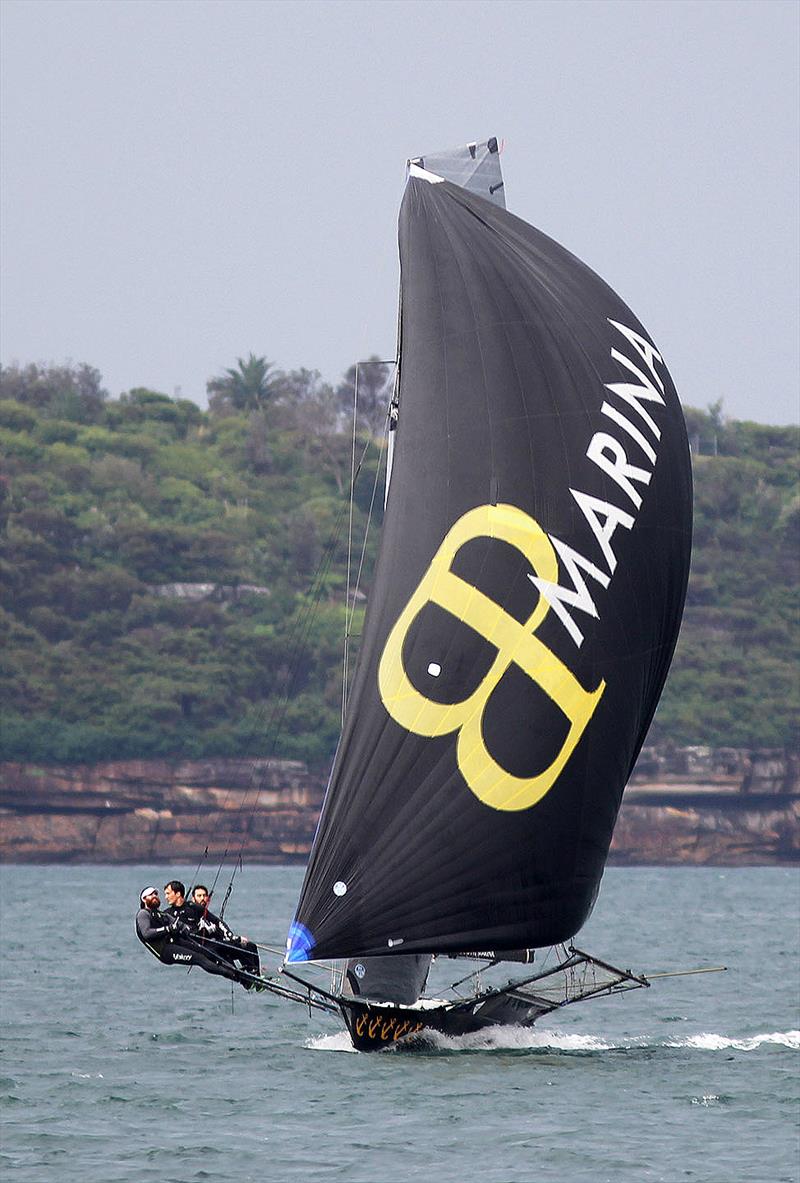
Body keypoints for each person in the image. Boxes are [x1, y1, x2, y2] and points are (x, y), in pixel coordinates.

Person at [135, 886, 254, 990]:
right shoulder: (143, 914)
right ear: (144, 899)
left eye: (156, 894)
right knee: (199, 958)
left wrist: (192, 929)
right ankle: (238, 976)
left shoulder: (162, 914)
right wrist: (169, 929)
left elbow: (181, 925)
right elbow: (147, 934)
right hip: (165, 951)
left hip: (174, 943)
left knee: (206, 951)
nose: (155, 896)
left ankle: (244, 974)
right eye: (151, 895)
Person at [189, 883, 263, 984]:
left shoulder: (209, 916)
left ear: (208, 898)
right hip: (207, 949)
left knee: (250, 946)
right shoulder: (190, 912)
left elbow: (222, 928)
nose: (202, 898)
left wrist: (236, 939)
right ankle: (244, 979)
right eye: (199, 896)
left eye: (204, 896)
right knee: (230, 954)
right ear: (193, 899)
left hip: (220, 945)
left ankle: (256, 975)